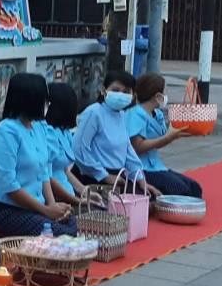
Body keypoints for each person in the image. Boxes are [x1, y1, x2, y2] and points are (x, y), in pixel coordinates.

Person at [0, 72, 76, 236]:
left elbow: (44, 172)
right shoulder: (6, 131)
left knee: (72, 223)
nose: (48, 104)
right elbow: (8, 185)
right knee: (60, 233)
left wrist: (52, 206)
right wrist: (46, 211)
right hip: (4, 208)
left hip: (35, 206)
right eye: (45, 100)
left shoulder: (38, 127)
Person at [73, 69, 161, 199]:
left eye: (126, 92)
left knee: (149, 198)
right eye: (115, 90)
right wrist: (105, 176)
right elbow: (79, 149)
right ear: (103, 91)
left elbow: (128, 150)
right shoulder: (94, 113)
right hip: (93, 177)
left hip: (117, 175)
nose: (120, 95)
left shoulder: (121, 114)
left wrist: (141, 179)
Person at [128, 72, 204, 197]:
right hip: (143, 169)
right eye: (164, 93)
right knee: (182, 191)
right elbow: (138, 147)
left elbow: (164, 136)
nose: (165, 96)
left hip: (157, 166)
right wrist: (168, 138)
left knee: (195, 188)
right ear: (157, 96)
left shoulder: (157, 114)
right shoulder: (135, 115)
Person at [42, 82, 82, 208]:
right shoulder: (45, 133)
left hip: (67, 196)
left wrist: (85, 191)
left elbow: (65, 171)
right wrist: (76, 201)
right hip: (53, 198)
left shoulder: (64, 132)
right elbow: (47, 177)